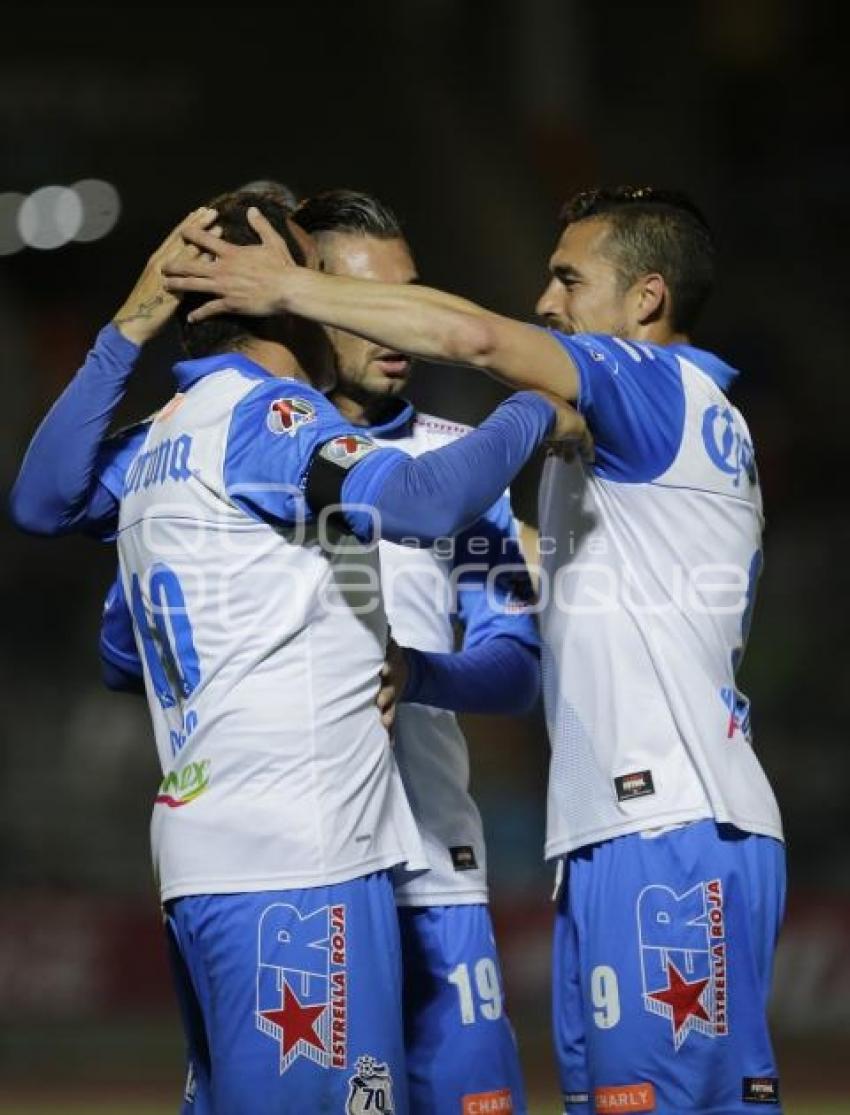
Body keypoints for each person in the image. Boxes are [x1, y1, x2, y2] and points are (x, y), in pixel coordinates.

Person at [164, 185, 786, 1114]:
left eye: (569, 279)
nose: (545, 301)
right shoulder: (653, 436)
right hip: (629, 828)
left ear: (646, 299)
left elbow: (477, 340)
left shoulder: (653, 384)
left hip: (672, 825)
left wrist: (287, 289)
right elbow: (561, 573)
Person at [9, 188, 583, 1115]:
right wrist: (529, 411)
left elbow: (517, 667)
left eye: (408, 295)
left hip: (418, 866)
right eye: (340, 292)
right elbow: (62, 532)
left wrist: (417, 670)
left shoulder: (198, 440)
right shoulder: (274, 432)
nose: (397, 325)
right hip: (304, 853)